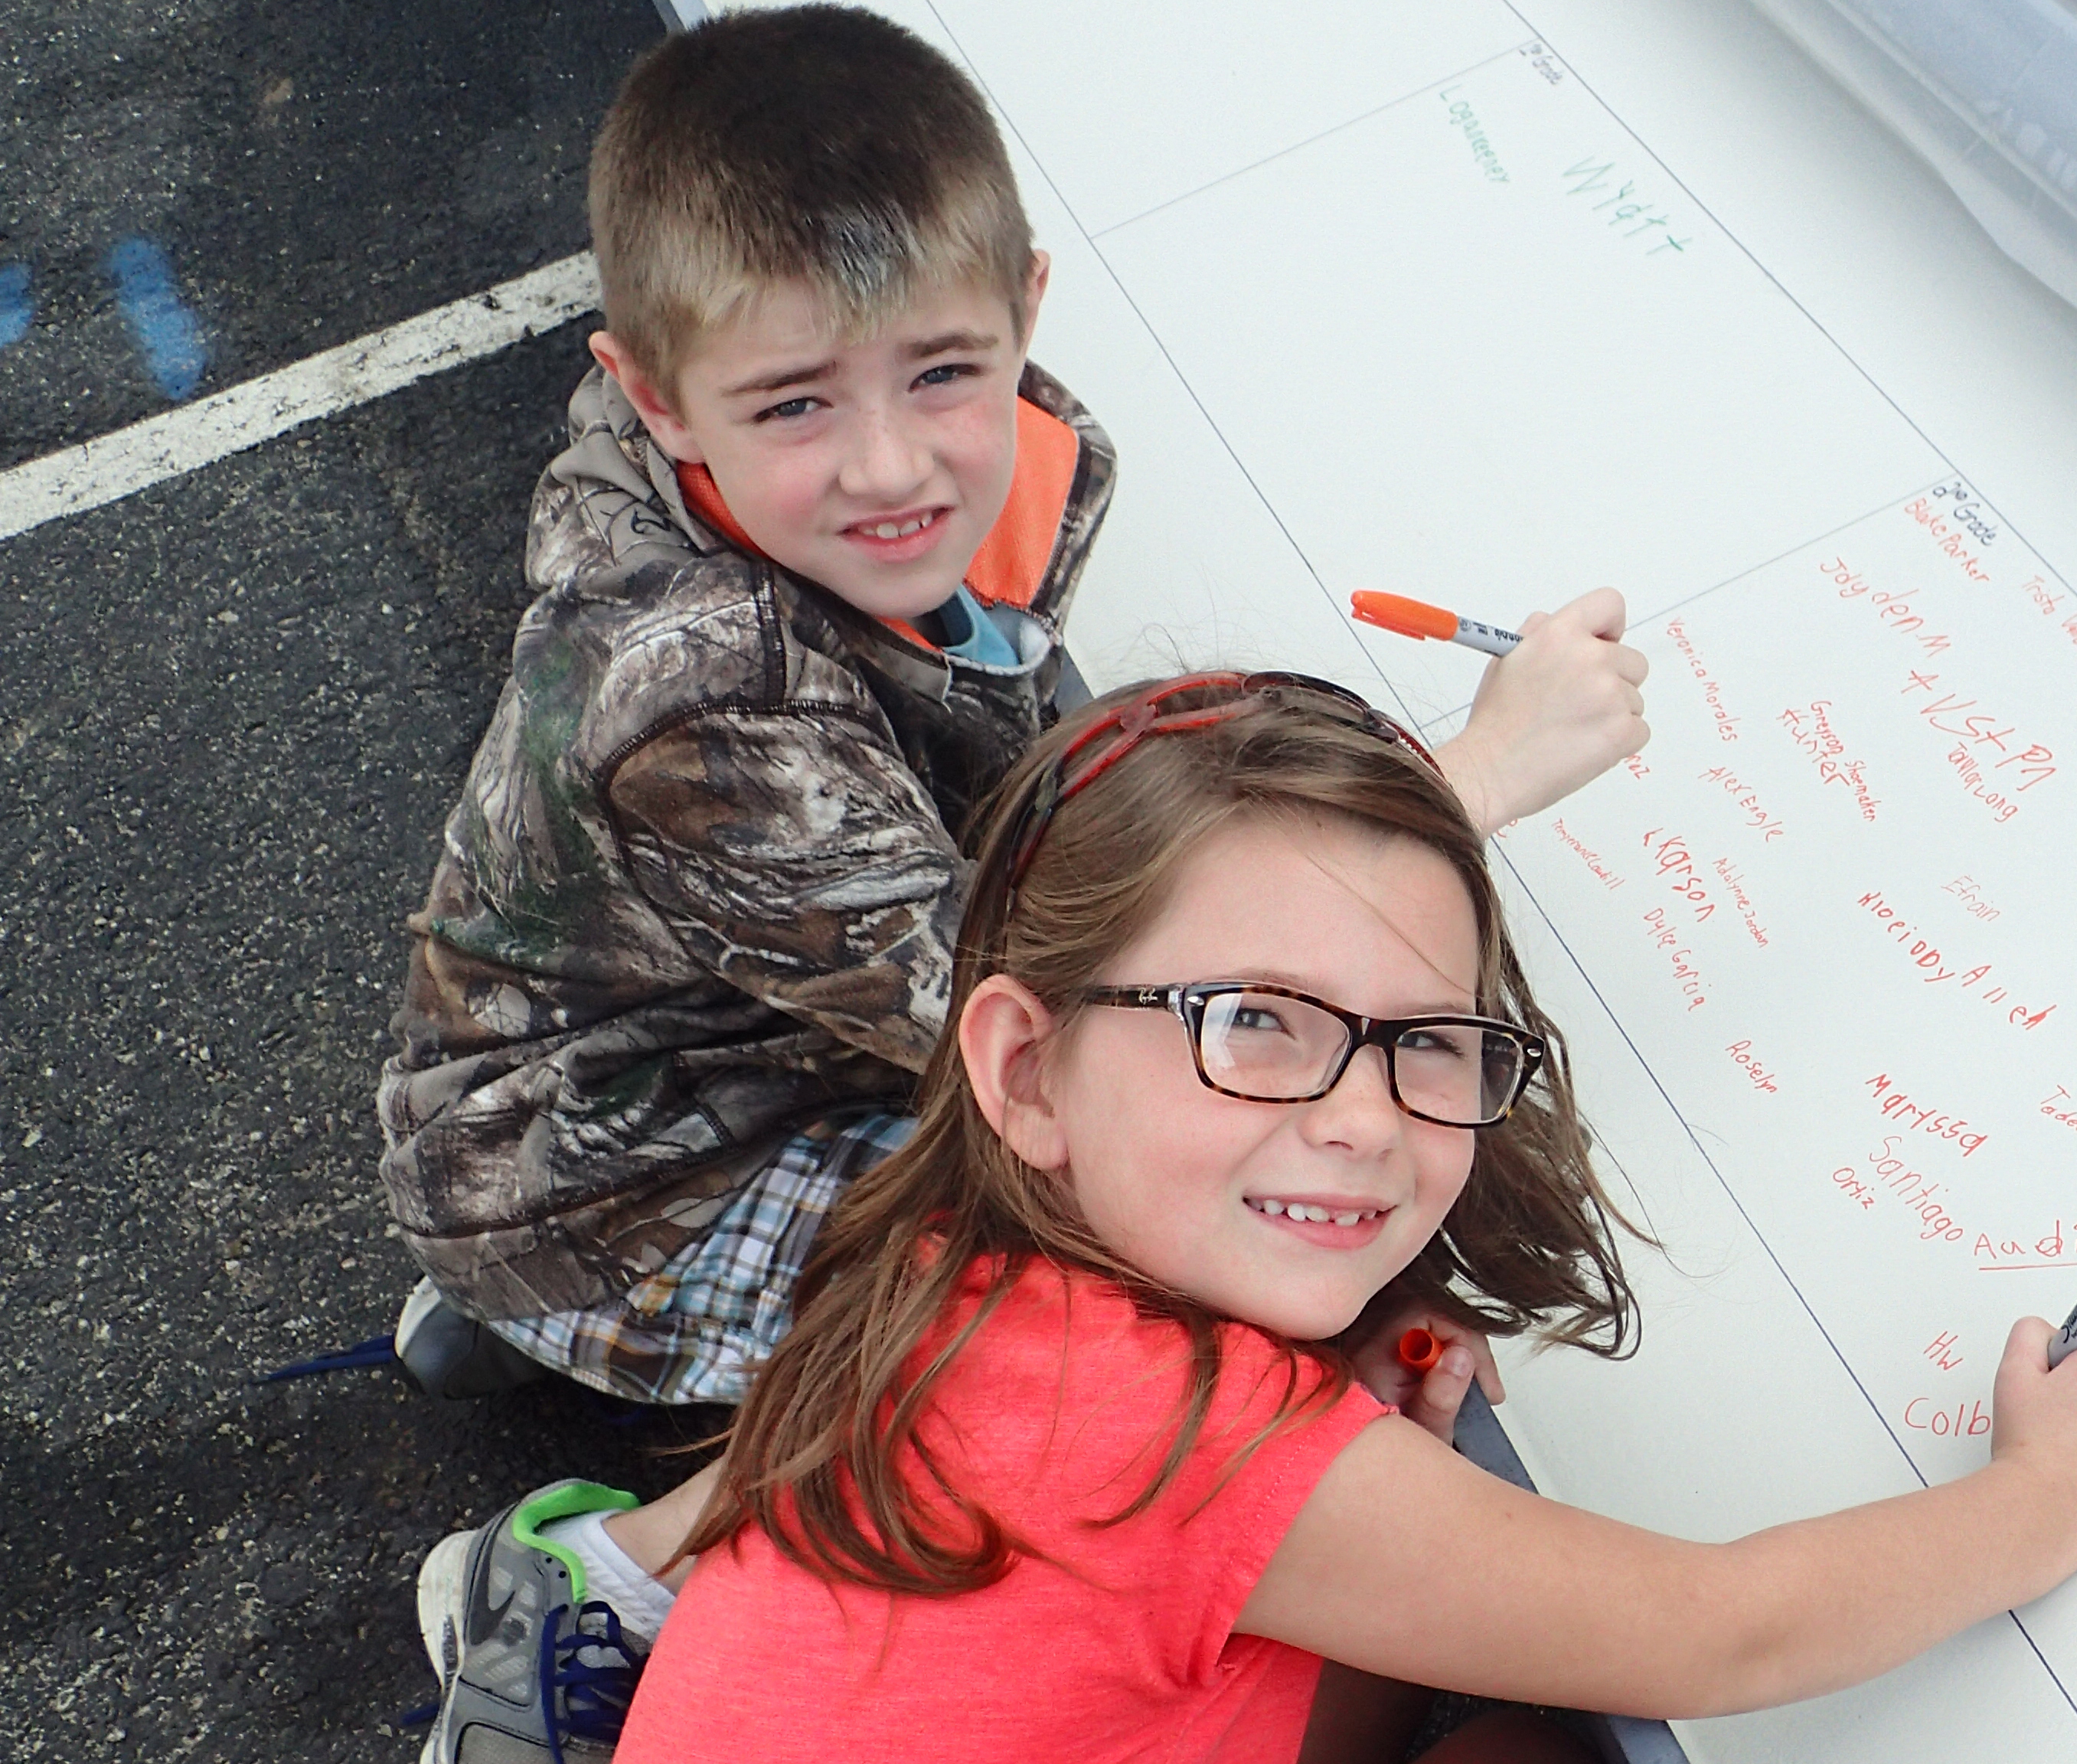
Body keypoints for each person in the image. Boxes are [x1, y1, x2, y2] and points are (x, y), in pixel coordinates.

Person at [388, 14, 1647, 1759]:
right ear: (652, 391)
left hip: (738, 1042)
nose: (897, 464)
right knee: (1073, 1266)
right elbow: (1024, 1012)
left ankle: (569, 1353)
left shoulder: (971, 474)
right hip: (603, 1169)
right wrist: (1473, 779)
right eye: (797, 403)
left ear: (1024, 309)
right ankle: (593, 1588)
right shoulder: (692, 693)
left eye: (941, 372)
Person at [591, 674, 2077, 1762]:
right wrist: (2053, 1499)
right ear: (1028, 1068)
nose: (1361, 1114)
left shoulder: (964, 1269)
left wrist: (1358, 1460)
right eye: (1256, 1024)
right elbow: (1723, 1637)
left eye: (1427, 1040)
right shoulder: (1168, 1434)